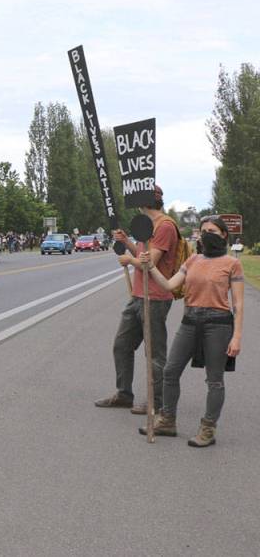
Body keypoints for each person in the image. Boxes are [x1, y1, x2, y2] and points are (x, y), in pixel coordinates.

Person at [138, 216, 245, 447]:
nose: (208, 234)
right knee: (170, 371)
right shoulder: (193, 260)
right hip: (190, 321)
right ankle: (167, 420)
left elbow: (238, 303)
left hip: (218, 324)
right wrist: (150, 266)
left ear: (224, 235)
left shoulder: (232, 263)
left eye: (213, 231)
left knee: (215, 380)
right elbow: (169, 285)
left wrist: (236, 336)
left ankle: (208, 428)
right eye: (204, 230)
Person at [95, 185, 179, 415]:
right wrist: (127, 244)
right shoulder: (148, 226)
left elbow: (149, 261)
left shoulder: (165, 226)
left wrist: (129, 261)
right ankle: (124, 394)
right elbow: (141, 253)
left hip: (156, 297)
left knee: (154, 353)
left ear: (144, 201)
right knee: (122, 345)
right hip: (138, 295)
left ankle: (157, 401)